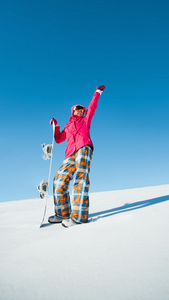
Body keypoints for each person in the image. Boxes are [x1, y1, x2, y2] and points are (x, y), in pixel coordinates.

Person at [48, 85, 105, 228]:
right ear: (73, 111)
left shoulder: (85, 121)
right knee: (58, 180)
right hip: (69, 154)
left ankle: (79, 217)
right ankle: (62, 213)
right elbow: (59, 139)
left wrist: (97, 92)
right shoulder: (68, 127)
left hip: (84, 148)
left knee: (80, 178)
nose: (81, 111)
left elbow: (92, 107)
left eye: (82, 110)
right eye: (78, 110)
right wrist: (56, 126)